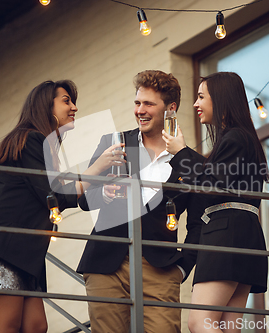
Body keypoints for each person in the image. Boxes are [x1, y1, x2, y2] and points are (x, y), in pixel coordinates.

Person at [0, 80, 124, 333]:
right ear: (46, 106)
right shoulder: (29, 139)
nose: (75, 107)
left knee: (36, 326)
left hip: (24, 252)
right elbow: (54, 196)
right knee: (7, 325)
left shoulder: (44, 147)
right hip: (1, 247)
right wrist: (97, 169)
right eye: (66, 100)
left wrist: (99, 188)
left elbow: (59, 195)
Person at [77, 70, 203, 333]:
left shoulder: (191, 162)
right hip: (106, 262)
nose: (140, 110)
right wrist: (104, 193)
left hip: (160, 267)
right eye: (137, 103)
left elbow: (198, 225)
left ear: (171, 108)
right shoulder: (114, 143)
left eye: (149, 104)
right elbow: (85, 200)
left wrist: (182, 267)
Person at [163, 72, 269, 333]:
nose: (195, 104)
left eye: (201, 97)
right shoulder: (243, 138)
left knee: (200, 322)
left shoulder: (234, 137)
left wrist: (182, 153)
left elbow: (212, 185)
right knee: (227, 326)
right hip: (246, 235)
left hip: (226, 234)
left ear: (220, 98)